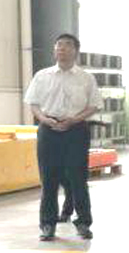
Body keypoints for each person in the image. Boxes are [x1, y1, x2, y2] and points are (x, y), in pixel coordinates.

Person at [23, 33, 101, 241]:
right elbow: (33, 103)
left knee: (78, 178)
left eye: (67, 45)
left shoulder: (86, 78)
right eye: (58, 45)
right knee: (48, 179)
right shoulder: (42, 76)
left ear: (76, 50)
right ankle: (48, 225)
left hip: (76, 130)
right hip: (48, 129)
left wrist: (74, 119)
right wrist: (43, 119)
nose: (61, 49)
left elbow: (94, 105)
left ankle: (83, 222)